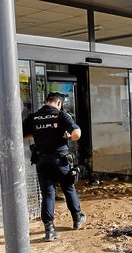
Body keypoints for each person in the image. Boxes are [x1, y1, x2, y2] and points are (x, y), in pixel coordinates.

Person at [23, 92, 86, 242]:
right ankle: (77, 219)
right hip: (60, 160)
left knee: (48, 193)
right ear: (59, 103)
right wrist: (68, 137)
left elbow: (22, 135)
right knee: (68, 188)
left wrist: (40, 134)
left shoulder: (33, 117)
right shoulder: (61, 115)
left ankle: (49, 230)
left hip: (42, 160)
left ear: (45, 101)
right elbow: (77, 133)